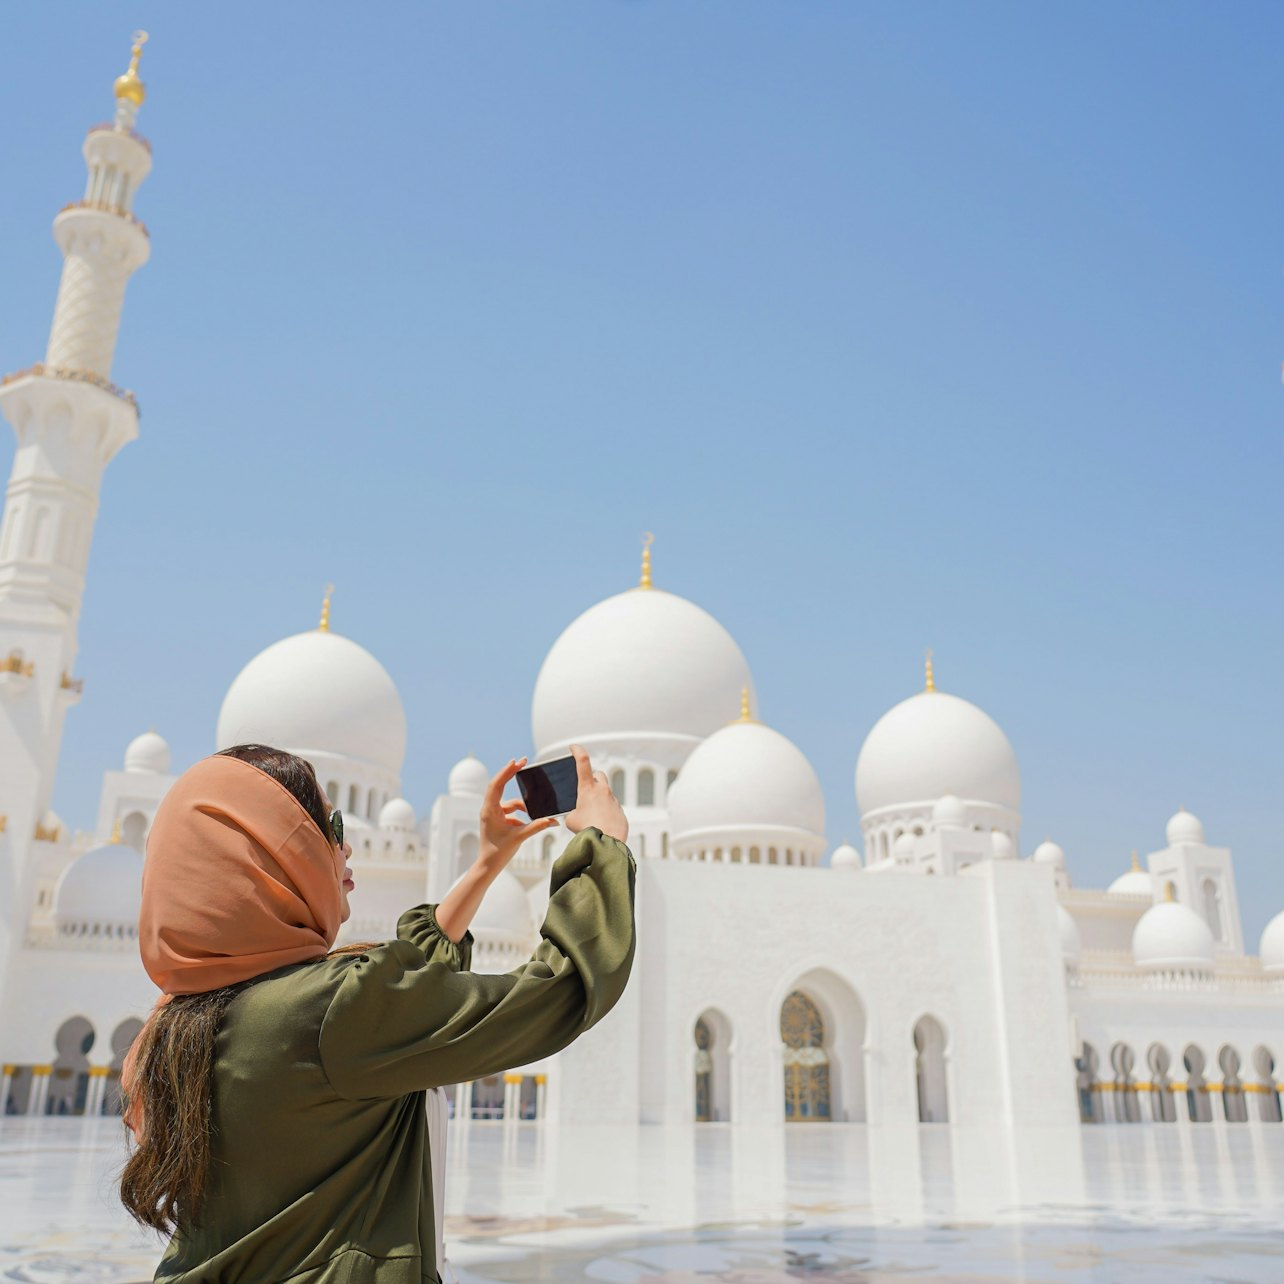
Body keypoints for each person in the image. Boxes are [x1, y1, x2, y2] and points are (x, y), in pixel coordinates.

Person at [119, 741, 635, 1283]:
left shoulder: (172, 1025)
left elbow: (397, 995)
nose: (344, 850)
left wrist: (486, 862)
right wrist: (602, 845)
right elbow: (556, 993)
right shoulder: (327, 1009)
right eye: (330, 828)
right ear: (273, 852)